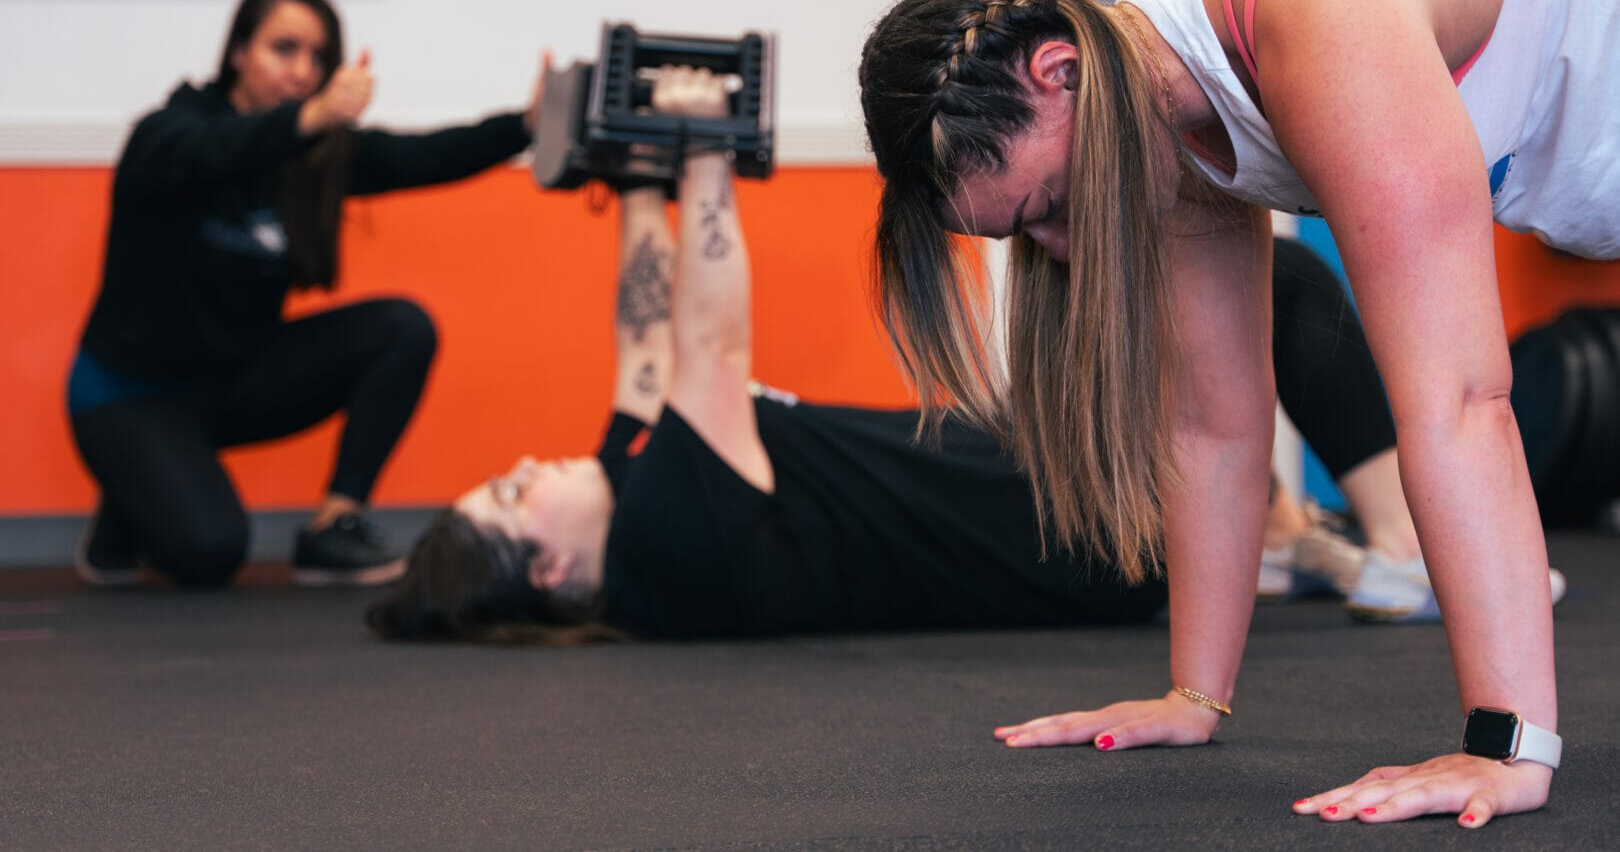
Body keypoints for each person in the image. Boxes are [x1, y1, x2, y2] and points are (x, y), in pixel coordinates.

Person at [858, 0, 1617, 827]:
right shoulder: (1156, 98)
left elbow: (1462, 400)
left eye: (1045, 205)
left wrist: (1506, 748)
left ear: (1059, 72)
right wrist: (1193, 696)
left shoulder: (1318, 12)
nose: (1060, 249)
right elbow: (1214, 426)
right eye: (1024, 236)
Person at [366, 67, 1466, 644]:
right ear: (549, 570)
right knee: (1277, 280)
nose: (528, 466)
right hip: (1077, 531)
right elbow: (706, 338)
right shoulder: (670, 526)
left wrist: (643, 181)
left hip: (1051, 490)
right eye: (513, 496)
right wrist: (702, 153)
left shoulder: (637, 497)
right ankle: (1396, 549)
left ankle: (1287, 544)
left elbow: (646, 335)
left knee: (1186, 326)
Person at [68, 0, 540, 590]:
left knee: (401, 328)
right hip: (129, 395)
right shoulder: (169, 135)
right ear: (239, 52)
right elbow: (219, 151)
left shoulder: (314, 156)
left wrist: (526, 125)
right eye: (283, 48)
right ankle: (127, 506)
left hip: (231, 381)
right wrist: (311, 117)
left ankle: (334, 526)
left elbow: (426, 156)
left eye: (317, 57)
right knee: (209, 553)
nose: (302, 71)